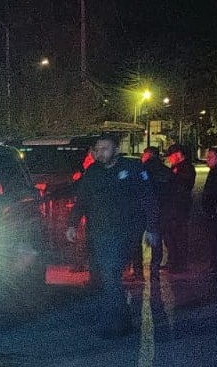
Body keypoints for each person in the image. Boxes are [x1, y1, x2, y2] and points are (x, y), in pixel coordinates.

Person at [66, 135, 158, 338]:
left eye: (105, 149)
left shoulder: (133, 168)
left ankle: (114, 325)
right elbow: (82, 199)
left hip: (125, 232)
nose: (100, 153)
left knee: (110, 274)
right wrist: (72, 224)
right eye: (97, 149)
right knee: (106, 277)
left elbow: (148, 198)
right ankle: (124, 320)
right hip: (99, 233)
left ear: (116, 149)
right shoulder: (93, 172)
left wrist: (152, 228)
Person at [138, 146, 173, 277]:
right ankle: (155, 267)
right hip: (162, 208)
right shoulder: (166, 171)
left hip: (144, 208)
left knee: (138, 238)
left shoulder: (143, 170)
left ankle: (137, 269)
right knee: (157, 238)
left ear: (148, 155)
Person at [162, 144, 196, 271]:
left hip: (180, 207)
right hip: (173, 207)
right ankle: (173, 261)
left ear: (178, 154)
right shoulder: (176, 167)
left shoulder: (186, 168)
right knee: (170, 236)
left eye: (171, 156)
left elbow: (182, 186)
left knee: (178, 236)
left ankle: (179, 264)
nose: (169, 159)